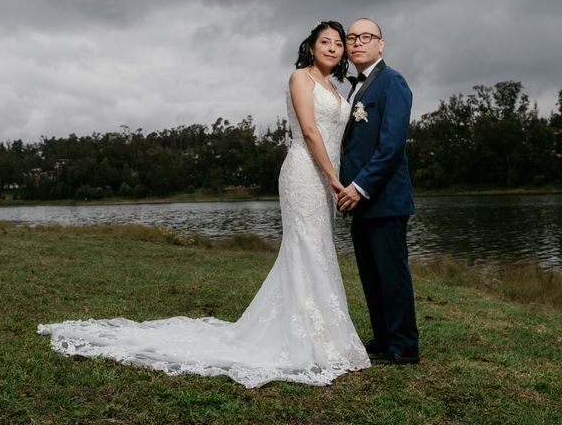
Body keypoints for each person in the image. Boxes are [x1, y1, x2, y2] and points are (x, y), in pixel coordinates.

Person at [38, 21, 370, 388]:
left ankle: (321, 332)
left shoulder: (336, 88)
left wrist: (340, 179)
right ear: (311, 46)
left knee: (318, 249)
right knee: (305, 246)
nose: (333, 48)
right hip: (306, 173)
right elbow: (309, 132)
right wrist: (334, 179)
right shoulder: (299, 78)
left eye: (339, 43)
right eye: (325, 41)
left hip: (327, 178)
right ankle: (308, 338)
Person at [337, 18, 420, 364]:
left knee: (392, 275)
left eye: (366, 36)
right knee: (371, 276)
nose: (357, 42)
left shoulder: (392, 82)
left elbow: (391, 146)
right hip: (360, 202)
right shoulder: (356, 88)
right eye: (352, 37)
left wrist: (360, 187)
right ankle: (384, 339)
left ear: (381, 44)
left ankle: (404, 347)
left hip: (384, 198)